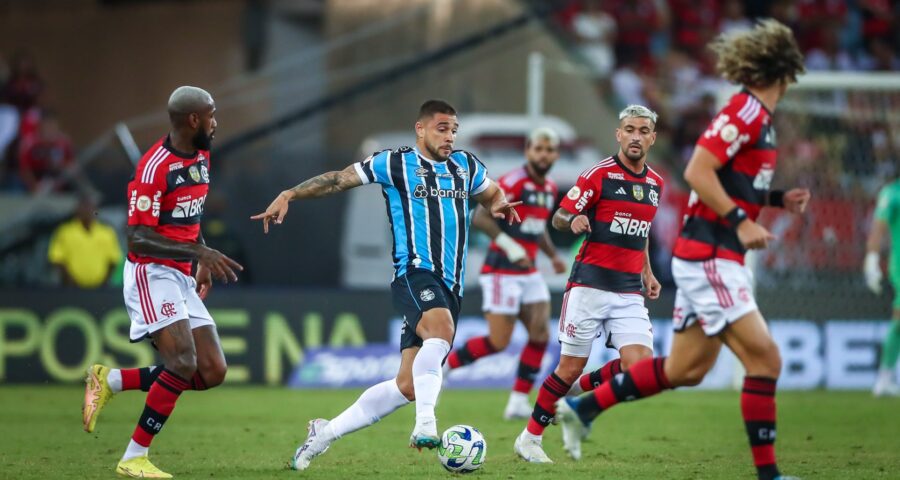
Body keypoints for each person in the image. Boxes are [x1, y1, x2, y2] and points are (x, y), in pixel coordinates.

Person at [555, 20, 810, 480]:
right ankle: (770, 476)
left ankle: (583, 409)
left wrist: (774, 199)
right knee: (766, 359)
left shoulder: (758, 118)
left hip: (709, 256)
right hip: (710, 255)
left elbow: (731, 181)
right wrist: (741, 222)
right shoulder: (745, 113)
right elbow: (698, 170)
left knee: (685, 369)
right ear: (785, 69)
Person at [250, 100, 520, 471]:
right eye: (442, 128)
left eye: (454, 129)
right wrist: (290, 194)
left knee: (407, 385)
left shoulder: (466, 166)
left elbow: (490, 194)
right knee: (440, 330)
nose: (450, 136)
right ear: (420, 129)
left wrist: (500, 204)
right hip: (414, 273)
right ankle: (426, 423)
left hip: (451, 283)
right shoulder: (393, 162)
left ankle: (323, 434)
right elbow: (337, 179)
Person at [81, 86, 243, 479]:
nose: (215, 123)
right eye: (212, 115)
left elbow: (188, 215)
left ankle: (112, 380)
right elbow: (136, 236)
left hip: (181, 272)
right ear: (193, 120)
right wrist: (200, 255)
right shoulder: (153, 169)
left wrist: (199, 254)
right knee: (183, 362)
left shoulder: (202, 156)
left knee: (211, 370)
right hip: (151, 273)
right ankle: (133, 457)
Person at [514, 104, 664, 463]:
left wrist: (647, 271)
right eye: (629, 129)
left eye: (643, 131)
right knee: (568, 369)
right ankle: (530, 438)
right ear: (619, 134)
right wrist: (575, 220)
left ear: (652, 138)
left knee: (640, 367)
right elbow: (560, 215)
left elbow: (639, 234)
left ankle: (571, 399)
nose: (635, 136)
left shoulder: (656, 184)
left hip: (629, 289)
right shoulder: (599, 175)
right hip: (589, 286)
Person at [445, 127, 567, 420]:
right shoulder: (513, 182)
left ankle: (517, 402)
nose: (543, 155)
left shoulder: (549, 187)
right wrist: (511, 247)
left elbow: (537, 229)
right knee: (498, 342)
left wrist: (552, 256)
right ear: (528, 151)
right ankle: (443, 368)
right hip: (501, 271)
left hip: (530, 273)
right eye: (538, 148)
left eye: (549, 150)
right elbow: (480, 216)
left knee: (540, 335)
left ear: (555, 155)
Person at [864, 179, 900, 397]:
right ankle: (884, 377)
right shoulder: (892, 193)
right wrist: (872, 260)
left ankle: (884, 378)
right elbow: (878, 228)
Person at [48, 193, 122, 288]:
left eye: (91, 208)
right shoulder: (64, 232)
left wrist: (104, 282)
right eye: (84, 207)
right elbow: (57, 259)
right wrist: (70, 281)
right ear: (77, 210)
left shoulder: (107, 233)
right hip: (70, 288)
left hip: (100, 289)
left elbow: (113, 260)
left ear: (96, 210)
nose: (87, 211)